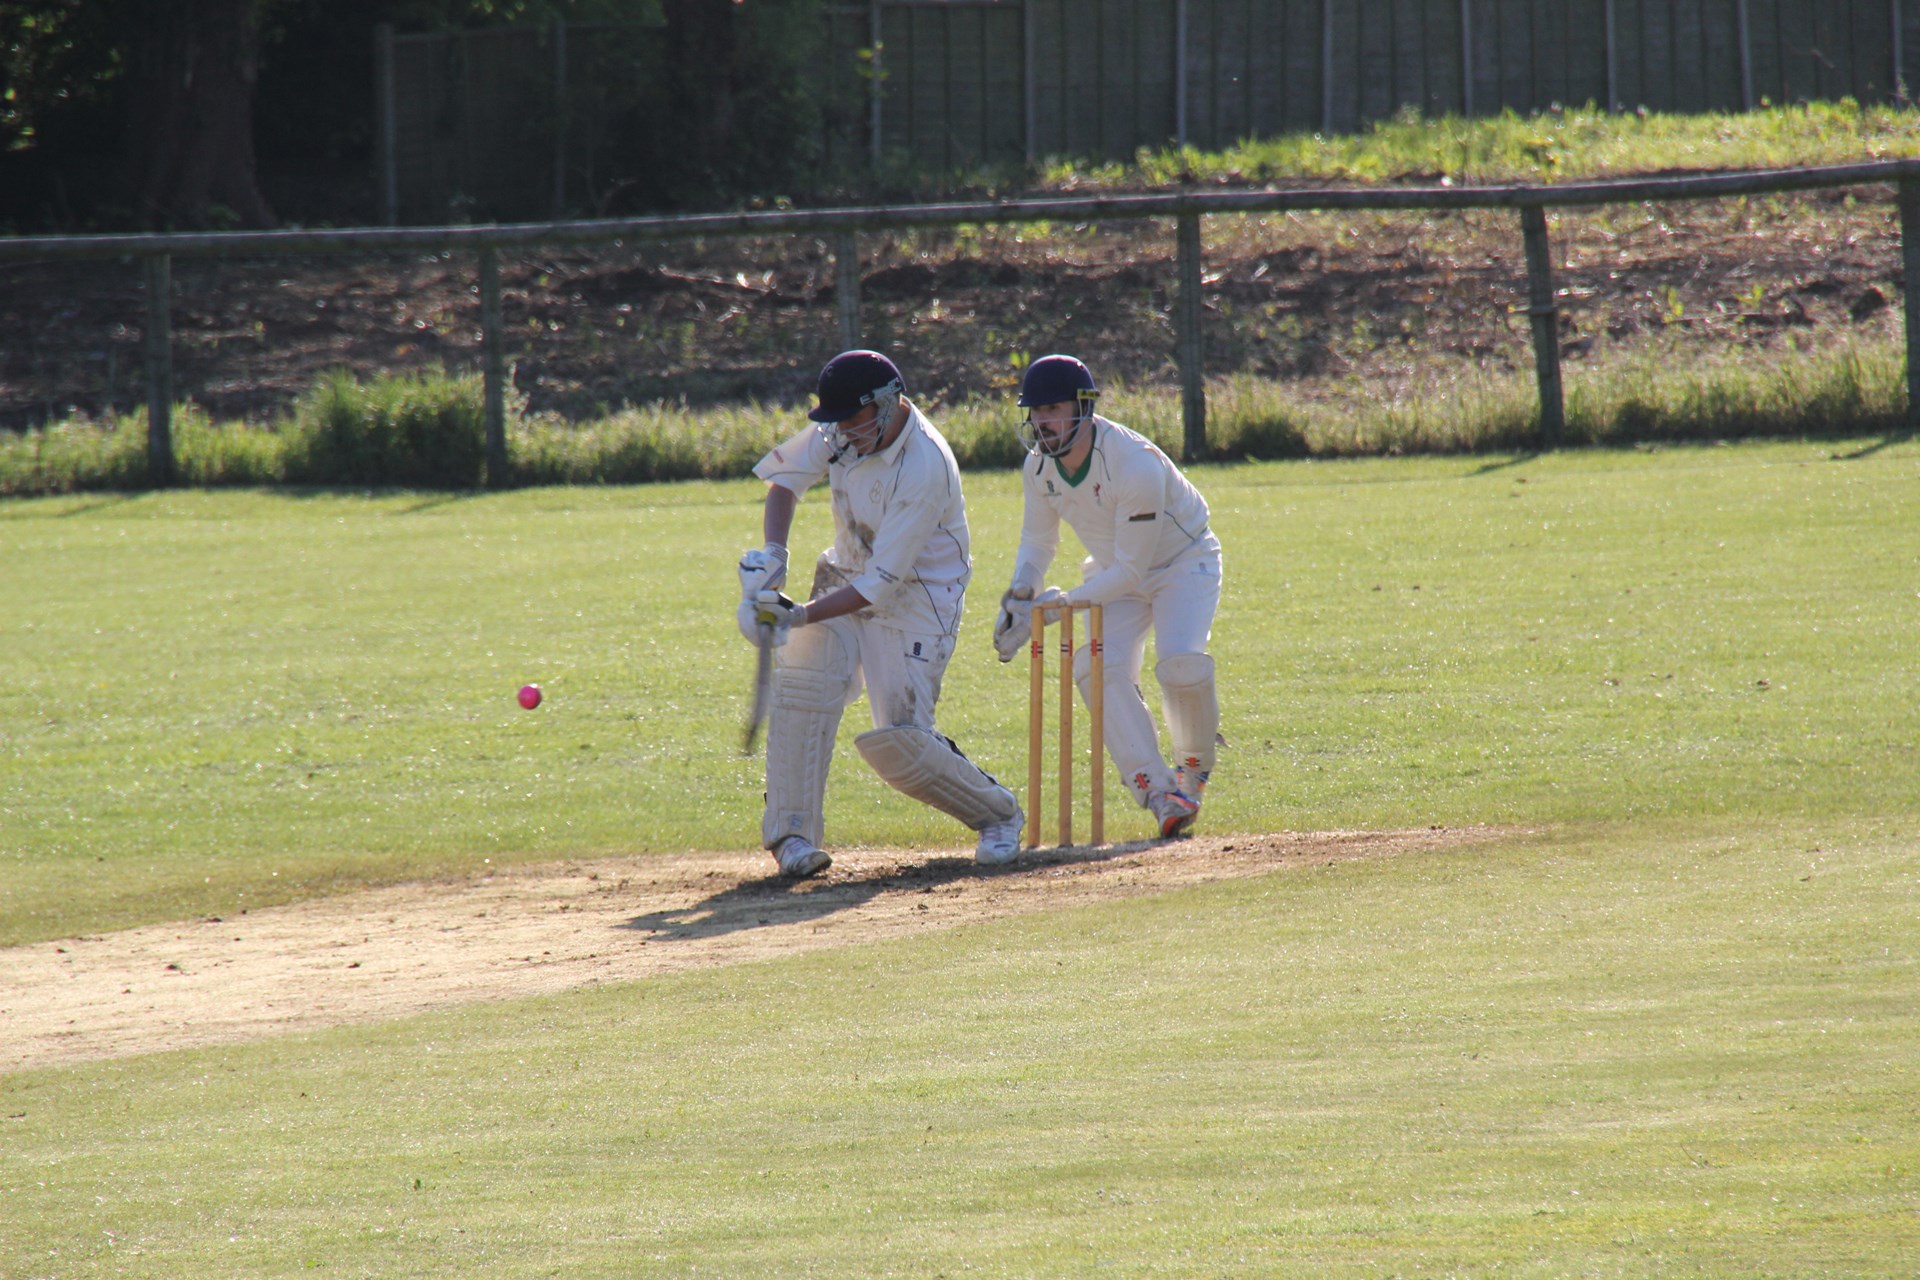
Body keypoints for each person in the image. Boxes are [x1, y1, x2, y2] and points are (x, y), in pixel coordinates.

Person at [736, 350, 1024, 878]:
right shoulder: (841, 430)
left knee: (899, 742)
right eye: (836, 421)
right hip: (844, 575)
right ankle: (792, 837)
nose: (843, 432)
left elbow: (881, 586)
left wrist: (796, 615)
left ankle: (998, 815)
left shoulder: (925, 465)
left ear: (888, 405)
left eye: (853, 419)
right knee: (802, 691)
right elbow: (785, 483)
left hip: (917, 600)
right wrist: (775, 556)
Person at [992, 354, 1222, 838]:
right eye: (1036, 410)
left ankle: (1192, 776)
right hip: (1115, 570)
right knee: (1092, 665)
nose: (1043, 421)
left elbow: (1133, 570)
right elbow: (1038, 543)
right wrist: (1019, 596)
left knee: (1180, 663)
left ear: (1084, 408)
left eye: (1054, 408)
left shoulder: (1133, 464)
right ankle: (1159, 792)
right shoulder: (1039, 469)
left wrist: (1055, 609)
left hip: (1182, 563)